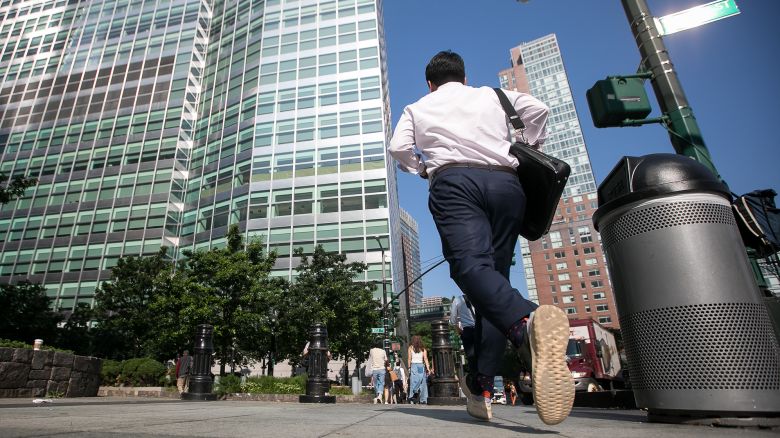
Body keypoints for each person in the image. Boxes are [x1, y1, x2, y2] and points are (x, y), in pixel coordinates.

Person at [388, 50, 574, 425]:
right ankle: (482, 386)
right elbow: (538, 110)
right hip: (506, 185)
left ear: (430, 83)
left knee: (470, 267)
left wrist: (423, 168)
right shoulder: (492, 96)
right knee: (495, 283)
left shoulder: (417, 107)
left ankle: (526, 326)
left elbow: (398, 148)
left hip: (455, 183)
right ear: (465, 77)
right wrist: (532, 146)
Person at [450, 294, 476, 377]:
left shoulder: (457, 300)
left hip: (468, 331)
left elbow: (453, 320)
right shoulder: (478, 296)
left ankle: (477, 380)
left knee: (472, 357)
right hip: (480, 329)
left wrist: (460, 332)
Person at [407, 335, 431, 404]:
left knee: (413, 381)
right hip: (421, 366)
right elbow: (425, 359)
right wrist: (428, 368)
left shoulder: (410, 348)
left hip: (413, 366)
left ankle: (412, 397)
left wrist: (409, 367)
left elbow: (409, 358)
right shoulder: (423, 348)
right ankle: (423, 399)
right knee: (422, 382)